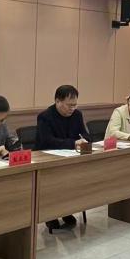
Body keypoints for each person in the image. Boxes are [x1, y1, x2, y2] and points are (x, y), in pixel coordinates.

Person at [36, 85, 90, 231]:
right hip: (47, 158)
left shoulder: (77, 115)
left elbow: (85, 134)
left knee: (74, 180)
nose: (72, 108)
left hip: (70, 157)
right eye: (69, 105)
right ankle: (50, 215)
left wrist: (84, 140)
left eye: (75, 105)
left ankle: (66, 210)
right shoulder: (45, 116)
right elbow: (47, 141)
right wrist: (73, 143)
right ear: (57, 101)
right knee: (55, 182)